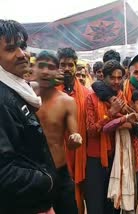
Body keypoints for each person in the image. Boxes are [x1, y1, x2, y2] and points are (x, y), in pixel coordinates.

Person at [0, 19, 56, 213]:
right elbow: (4, 173)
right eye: (10, 49)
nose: (22, 54)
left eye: (23, 46)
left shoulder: (17, 90)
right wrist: (46, 181)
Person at [35, 50, 82, 214]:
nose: (45, 71)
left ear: (57, 71)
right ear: (34, 69)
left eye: (50, 67)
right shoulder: (23, 98)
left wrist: (74, 140)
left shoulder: (67, 102)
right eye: (41, 66)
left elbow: (73, 139)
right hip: (33, 175)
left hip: (59, 174)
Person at [85, 60, 130, 214]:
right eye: (112, 78)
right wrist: (110, 113)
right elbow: (91, 131)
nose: (116, 82)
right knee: (96, 205)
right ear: (103, 77)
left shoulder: (122, 97)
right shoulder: (91, 99)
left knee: (113, 205)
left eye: (119, 78)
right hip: (95, 159)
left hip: (116, 157)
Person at [104, 90, 138, 213]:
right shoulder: (123, 119)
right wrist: (125, 119)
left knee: (136, 201)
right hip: (124, 167)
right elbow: (106, 127)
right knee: (125, 204)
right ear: (131, 104)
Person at [57, 47, 90, 213]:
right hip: (59, 155)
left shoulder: (86, 93)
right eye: (63, 64)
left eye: (70, 64)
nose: (67, 68)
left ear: (76, 66)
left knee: (79, 197)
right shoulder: (50, 93)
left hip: (80, 154)